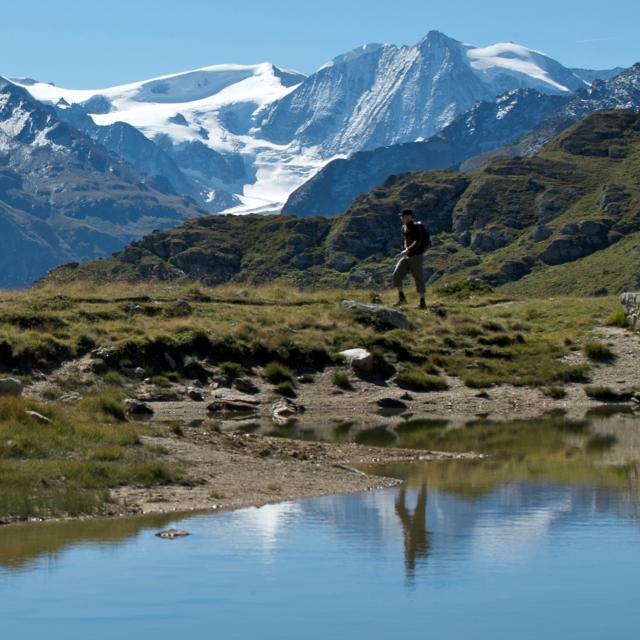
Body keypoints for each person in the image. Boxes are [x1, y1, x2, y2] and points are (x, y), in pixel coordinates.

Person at [392, 209, 429, 309]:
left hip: (416, 256)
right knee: (396, 276)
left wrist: (407, 250)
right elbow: (403, 241)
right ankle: (402, 298)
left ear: (409, 217)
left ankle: (422, 302)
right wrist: (403, 251)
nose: (402, 218)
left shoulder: (416, 227)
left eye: (404, 216)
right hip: (406, 256)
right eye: (402, 217)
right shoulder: (403, 227)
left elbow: (417, 241)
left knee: (418, 278)